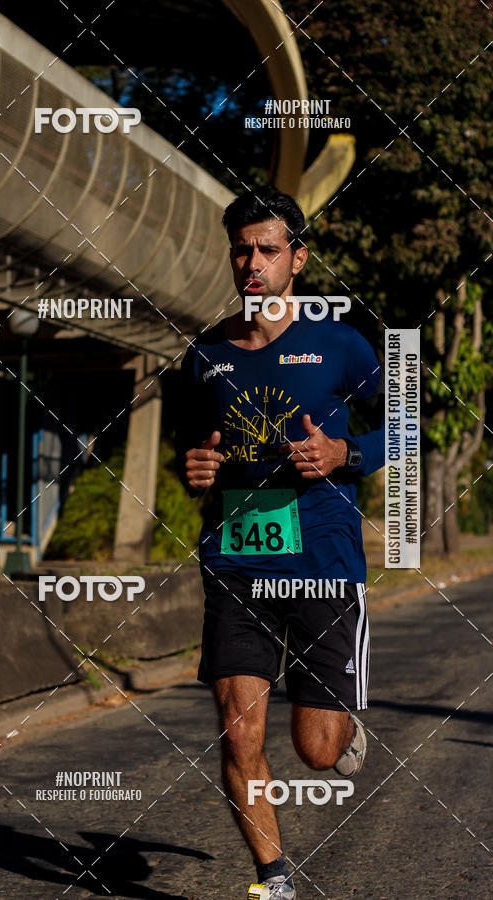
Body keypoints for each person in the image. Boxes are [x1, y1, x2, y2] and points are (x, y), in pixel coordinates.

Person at [174, 185, 385, 899]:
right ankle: (275, 882)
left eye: (268, 249)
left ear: (298, 257)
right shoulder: (205, 354)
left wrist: (346, 455)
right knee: (240, 736)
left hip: (324, 565)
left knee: (315, 748)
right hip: (236, 561)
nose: (253, 263)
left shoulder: (340, 342)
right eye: (242, 249)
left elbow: (406, 423)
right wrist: (192, 468)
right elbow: (191, 448)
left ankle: (344, 732)